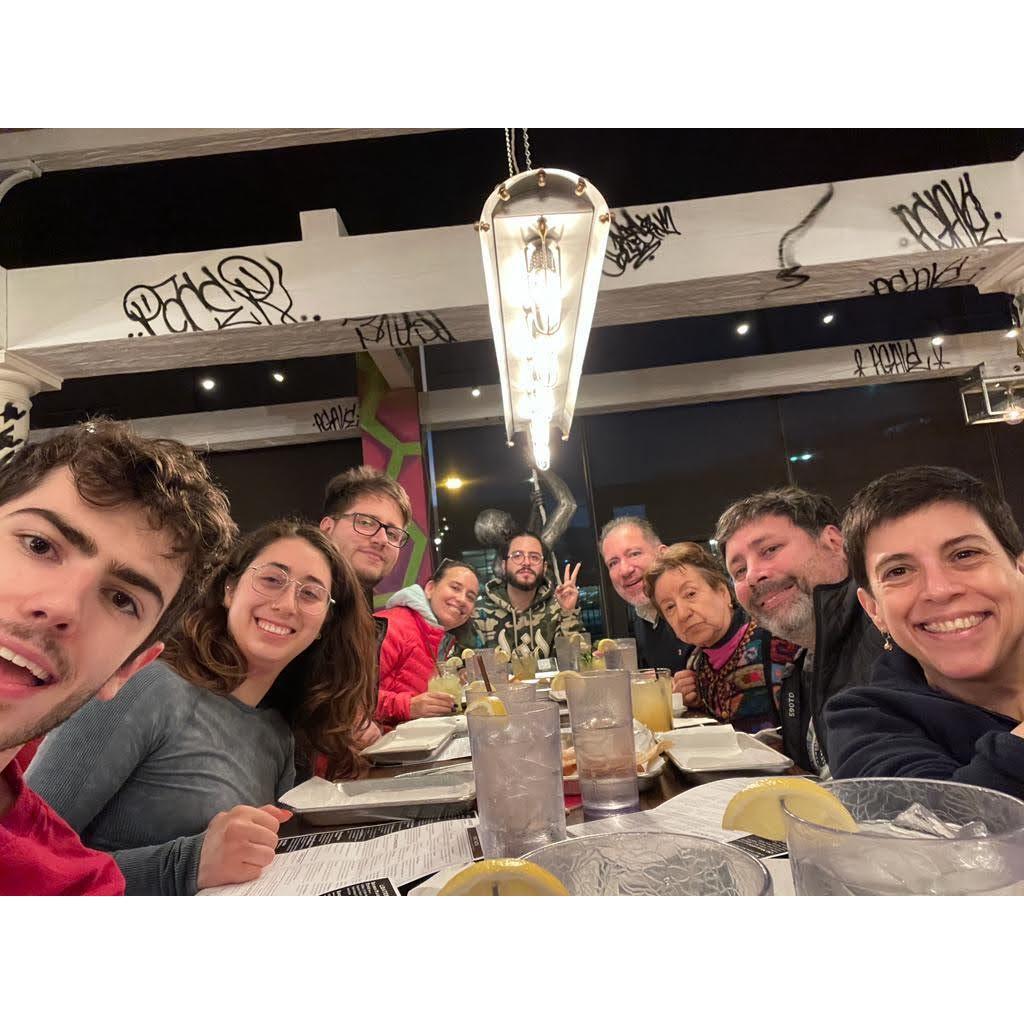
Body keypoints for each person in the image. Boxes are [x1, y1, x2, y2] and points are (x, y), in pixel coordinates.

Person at [27, 519, 379, 895]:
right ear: (230, 589)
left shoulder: (278, 734)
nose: (286, 604)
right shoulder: (147, 687)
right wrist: (187, 864)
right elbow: (20, 865)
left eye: (310, 594)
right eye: (272, 579)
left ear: (324, 622)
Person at [0, 420, 236, 896]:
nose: (63, 606)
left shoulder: (79, 890)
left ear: (127, 669)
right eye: (39, 545)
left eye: (122, 600)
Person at [824, 466, 1024, 797]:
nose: (939, 590)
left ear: (1020, 569)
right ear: (874, 610)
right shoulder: (865, 721)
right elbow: (929, 822)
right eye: (898, 571)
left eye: (965, 554)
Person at [714, 486, 884, 773]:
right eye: (739, 571)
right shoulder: (800, 668)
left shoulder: (895, 635)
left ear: (834, 542)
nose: (753, 576)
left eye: (770, 550)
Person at [644, 542, 801, 736]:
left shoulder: (775, 639)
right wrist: (689, 703)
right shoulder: (695, 663)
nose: (683, 614)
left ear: (723, 592)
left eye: (690, 594)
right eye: (669, 607)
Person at [375, 560, 480, 728]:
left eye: (470, 597)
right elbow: (347, 698)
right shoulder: (393, 625)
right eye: (455, 588)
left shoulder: (440, 638)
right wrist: (408, 706)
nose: (462, 599)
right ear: (430, 588)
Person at [600, 516, 692, 674]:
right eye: (613, 563)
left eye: (634, 554)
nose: (624, 570)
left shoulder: (696, 607)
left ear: (663, 554)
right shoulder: (643, 616)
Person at [474, 530, 581, 659]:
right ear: (504, 565)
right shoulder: (480, 612)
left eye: (534, 557)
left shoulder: (558, 607)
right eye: (517, 556)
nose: (526, 562)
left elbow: (574, 661)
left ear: (544, 568)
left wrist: (568, 612)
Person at [319, 466, 412, 599]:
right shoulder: (290, 599)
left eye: (392, 534)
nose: (382, 540)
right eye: (366, 523)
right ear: (327, 528)